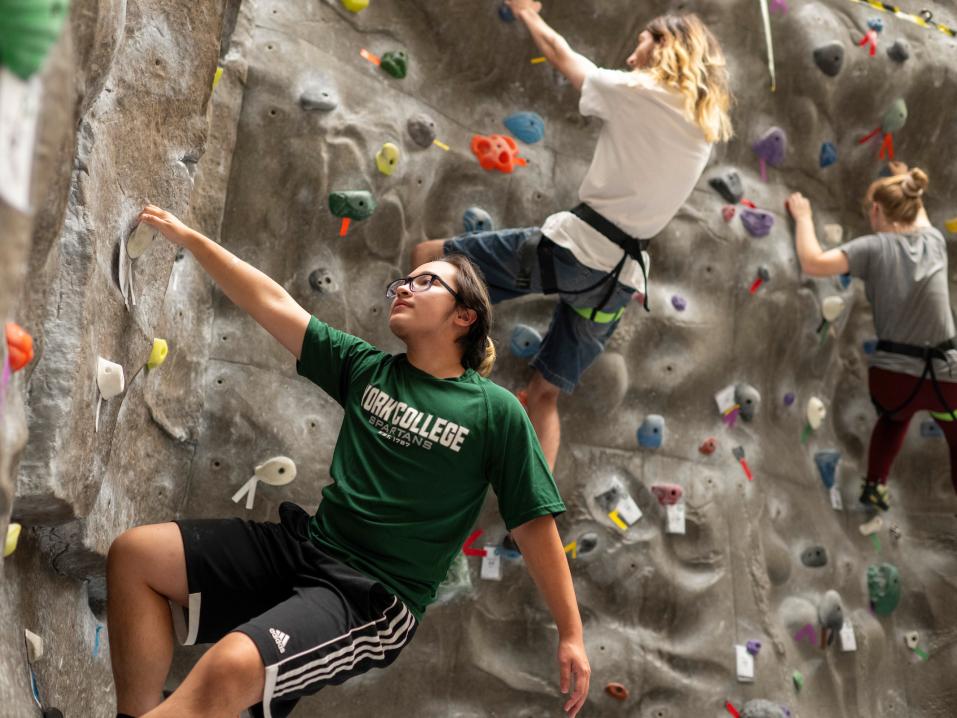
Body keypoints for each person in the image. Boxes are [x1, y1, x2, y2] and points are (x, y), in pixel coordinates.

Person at [106, 205, 591, 718]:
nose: (403, 287)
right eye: (402, 281)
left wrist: (572, 633)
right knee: (136, 556)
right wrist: (190, 238)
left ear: (464, 317)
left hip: (371, 597)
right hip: (308, 547)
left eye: (425, 282)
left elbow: (534, 523)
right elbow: (272, 302)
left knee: (228, 668)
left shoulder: (498, 413)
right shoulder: (365, 368)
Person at [411, 2, 734, 471]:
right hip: (617, 283)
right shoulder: (703, 126)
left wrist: (526, 13)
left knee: (428, 260)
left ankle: (421, 393)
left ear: (666, 45)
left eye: (642, 41)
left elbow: (561, 54)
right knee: (544, 393)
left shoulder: (642, 91)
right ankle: (533, 512)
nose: (631, 56)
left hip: (575, 249)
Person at [786, 164, 957, 512]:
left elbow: (814, 262)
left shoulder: (873, 248)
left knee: (894, 418)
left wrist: (803, 217)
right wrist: (907, 178)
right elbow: (917, 212)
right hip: (947, 378)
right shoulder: (934, 241)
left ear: (877, 211)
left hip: (894, 384)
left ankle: (875, 484)